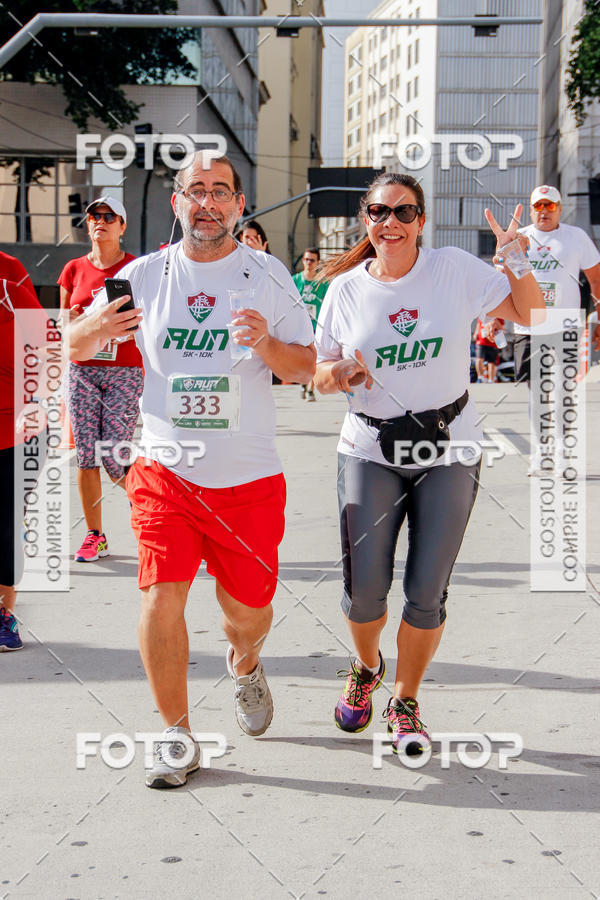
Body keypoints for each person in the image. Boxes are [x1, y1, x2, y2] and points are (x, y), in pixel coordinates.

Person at [67, 153, 315, 788]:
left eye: (221, 191)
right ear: (177, 203)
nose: (208, 201)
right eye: (195, 190)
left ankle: (245, 660)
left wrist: (265, 344)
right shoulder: (142, 276)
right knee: (160, 593)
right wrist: (91, 327)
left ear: (239, 204)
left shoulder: (269, 274)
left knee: (248, 611)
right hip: (164, 468)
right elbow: (66, 347)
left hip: (248, 477)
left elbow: (305, 367)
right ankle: (176, 734)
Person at [314, 172, 543, 755]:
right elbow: (317, 374)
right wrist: (340, 374)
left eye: (403, 211)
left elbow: (533, 316)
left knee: (426, 592)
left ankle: (407, 699)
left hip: (449, 444)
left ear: (422, 220)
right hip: (369, 447)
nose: (389, 222)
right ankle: (367, 669)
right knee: (365, 591)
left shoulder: (454, 269)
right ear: (366, 219)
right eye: (378, 211)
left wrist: (515, 258)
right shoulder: (343, 290)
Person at [58, 197, 141, 562]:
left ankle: (161, 514)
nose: (100, 222)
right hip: (82, 370)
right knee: (86, 456)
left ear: (122, 226)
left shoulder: (137, 268)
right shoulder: (73, 269)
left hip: (124, 369)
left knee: (114, 456)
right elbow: (63, 328)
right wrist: (74, 320)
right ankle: (95, 536)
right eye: (94, 216)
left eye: (110, 217)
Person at [513, 185, 600, 473]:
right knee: (537, 391)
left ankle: (563, 451)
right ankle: (542, 451)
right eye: (538, 206)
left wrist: (597, 319)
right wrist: (492, 320)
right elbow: (504, 280)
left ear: (559, 209)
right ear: (531, 208)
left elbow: (596, 281)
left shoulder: (575, 237)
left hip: (565, 325)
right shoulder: (520, 238)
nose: (543, 212)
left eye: (549, 206)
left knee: (563, 389)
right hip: (529, 325)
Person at [0, 277, 47, 651]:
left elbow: (47, 346)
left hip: (16, 430)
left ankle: (4, 614)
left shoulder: (9, 277)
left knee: (5, 523)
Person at [293, 247, 329, 401]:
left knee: (314, 358)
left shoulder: (322, 283)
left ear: (318, 262)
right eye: (306, 259)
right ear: (303, 261)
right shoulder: (294, 280)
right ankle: (303, 382)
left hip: (316, 326)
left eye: (312, 260)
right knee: (300, 358)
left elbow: (328, 304)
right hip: (298, 326)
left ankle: (310, 390)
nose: (308, 263)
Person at [473, 316, 504, 382]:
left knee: (492, 362)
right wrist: (476, 333)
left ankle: (491, 380)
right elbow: (479, 324)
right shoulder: (483, 314)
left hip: (493, 342)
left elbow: (502, 329)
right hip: (482, 341)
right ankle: (480, 377)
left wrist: (496, 323)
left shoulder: (499, 317)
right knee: (479, 359)